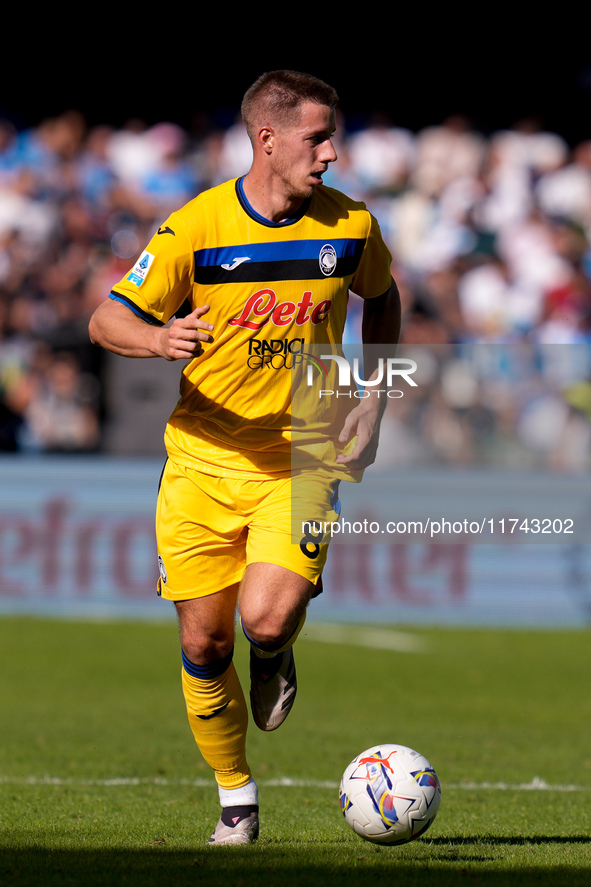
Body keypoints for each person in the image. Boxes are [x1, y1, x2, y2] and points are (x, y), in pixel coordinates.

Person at [88, 70, 401, 845]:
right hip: (199, 459)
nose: (330, 153)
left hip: (302, 455)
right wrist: (158, 337)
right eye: (316, 137)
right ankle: (236, 795)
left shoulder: (350, 226)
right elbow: (105, 319)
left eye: (332, 136)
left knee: (264, 616)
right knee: (203, 642)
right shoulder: (195, 229)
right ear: (267, 138)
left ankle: (275, 649)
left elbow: (384, 295)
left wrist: (374, 389)